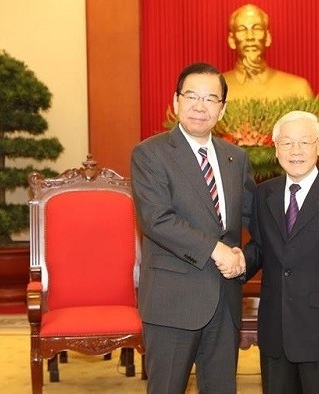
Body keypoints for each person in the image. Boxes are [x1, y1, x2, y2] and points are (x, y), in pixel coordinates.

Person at [130, 62, 255, 393]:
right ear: (175, 101)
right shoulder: (150, 154)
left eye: (211, 98)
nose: (200, 106)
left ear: (222, 108)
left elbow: (252, 218)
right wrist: (217, 250)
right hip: (173, 300)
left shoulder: (236, 158)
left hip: (225, 302)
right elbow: (157, 219)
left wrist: (247, 258)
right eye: (192, 96)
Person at [240, 110, 319, 393]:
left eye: (304, 142)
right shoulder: (264, 194)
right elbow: (260, 249)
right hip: (276, 331)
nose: (295, 151)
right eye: (286, 143)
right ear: (276, 149)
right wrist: (237, 263)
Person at [223, 4, 314, 101]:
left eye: (257, 29)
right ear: (231, 40)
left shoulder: (298, 89)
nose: (250, 37)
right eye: (242, 30)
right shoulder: (213, 88)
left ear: (267, 38)